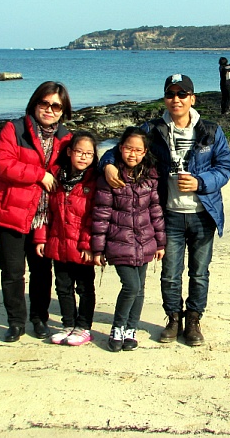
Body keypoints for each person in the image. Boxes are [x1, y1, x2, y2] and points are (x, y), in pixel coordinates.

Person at [100, 74, 230, 346]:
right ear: (165, 99)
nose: (176, 99)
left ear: (192, 99)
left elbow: (225, 167)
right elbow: (120, 148)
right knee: (170, 274)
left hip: (203, 213)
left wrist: (200, 182)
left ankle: (193, 320)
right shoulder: (152, 129)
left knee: (199, 272)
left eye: (182, 94)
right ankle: (173, 318)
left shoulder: (210, 130)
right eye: (171, 94)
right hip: (167, 214)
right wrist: (108, 165)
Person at [0, 81, 73, 343]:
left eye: (56, 106)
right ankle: (15, 322)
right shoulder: (14, 129)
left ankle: (39, 318)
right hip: (11, 212)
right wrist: (39, 174)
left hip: (45, 217)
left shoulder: (66, 138)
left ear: (63, 111)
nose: (49, 109)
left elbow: (78, 166)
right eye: (44, 103)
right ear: (35, 103)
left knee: (42, 271)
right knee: (12, 271)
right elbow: (3, 164)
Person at [91, 127, 166, 352]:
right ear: (120, 148)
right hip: (118, 243)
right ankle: (117, 328)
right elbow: (101, 215)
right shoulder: (110, 177)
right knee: (131, 286)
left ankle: (130, 329)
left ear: (145, 152)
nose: (132, 154)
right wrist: (98, 249)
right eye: (128, 149)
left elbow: (155, 210)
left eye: (138, 150)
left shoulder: (150, 177)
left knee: (140, 288)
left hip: (145, 242)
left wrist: (160, 242)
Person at [33, 131, 99, 346]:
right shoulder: (55, 177)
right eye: (79, 152)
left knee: (84, 288)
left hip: (82, 246)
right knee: (62, 286)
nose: (83, 157)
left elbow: (95, 216)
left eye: (89, 154)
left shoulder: (95, 181)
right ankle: (68, 324)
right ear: (69, 152)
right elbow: (45, 211)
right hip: (58, 242)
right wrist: (41, 238)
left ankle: (84, 327)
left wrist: (89, 245)